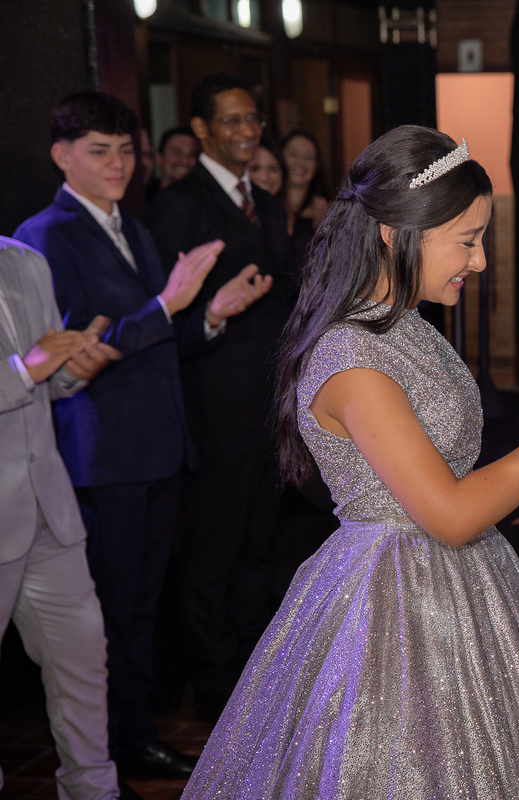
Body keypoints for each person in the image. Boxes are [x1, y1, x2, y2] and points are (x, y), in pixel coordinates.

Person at [180, 126, 519, 799]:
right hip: (390, 614)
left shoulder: (405, 327)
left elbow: (446, 492)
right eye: (467, 241)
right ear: (394, 233)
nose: (479, 261)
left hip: (457, 587)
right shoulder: (351, 357)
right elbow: (449, 512)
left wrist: (506, 593)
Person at [13, 91, 271, 782]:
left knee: (140, 611)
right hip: (104, 453)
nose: (118, 163)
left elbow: (163, 338)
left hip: (157, 445)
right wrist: (167, 304)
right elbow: (74, 349)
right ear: (62, 156)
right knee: (105, 617)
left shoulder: (133, 226)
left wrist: (209, 314)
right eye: (100, 150)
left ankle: (135, 738)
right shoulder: (45, 236)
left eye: (126, 149)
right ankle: (105, 755)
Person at [145, 73, 290, 724]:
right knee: (211, 556)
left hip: (268, 407)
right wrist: (212, 316)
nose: (246, 131)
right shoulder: (178, 206)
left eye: (252, 119)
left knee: (258, 548)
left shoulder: (269, 205)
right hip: (212, 411)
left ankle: (253, 674)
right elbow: (163, 321)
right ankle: (213, 687)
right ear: (202, 129)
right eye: (231, 121)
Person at [0, 237, 124, 800]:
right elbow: (28, 371)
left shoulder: (25, 260)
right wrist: (26, 369)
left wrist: (75, 369)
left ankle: (94, 791)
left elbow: (48, 382)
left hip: (48, 506)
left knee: (83, 657)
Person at [278, 129, 329, 235]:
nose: (300, 162)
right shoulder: (266, 204)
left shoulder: (323, 210)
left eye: (309, 157)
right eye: (293, 154)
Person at [145, 127, 199, 205]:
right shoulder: (142, 199)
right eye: (177, 153)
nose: (185, 161)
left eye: (193, 155)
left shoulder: (207, 200)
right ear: (159, 158)